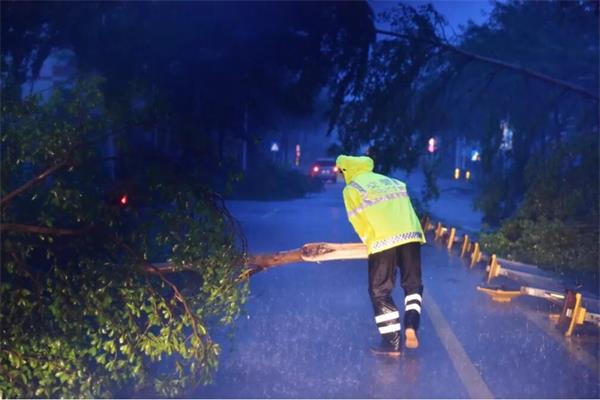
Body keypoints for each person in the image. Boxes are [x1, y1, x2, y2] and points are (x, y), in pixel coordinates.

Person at [336, 155, 425, 357]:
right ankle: (411, 324)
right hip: (412, 236)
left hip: (384, 240)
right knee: (413, 285)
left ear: (346, 170)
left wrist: (369, 243)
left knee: (380, 291)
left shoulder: (352, 189)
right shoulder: (393, 182)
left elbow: (358, 221)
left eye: (340, 172)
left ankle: (392, 342)